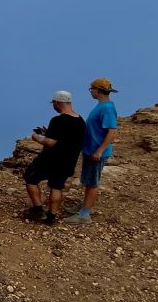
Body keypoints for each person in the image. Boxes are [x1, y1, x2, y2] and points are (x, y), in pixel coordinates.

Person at [23, 90, 86, 225]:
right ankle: (51, 216)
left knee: (30, 178)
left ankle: (38, 209)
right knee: (56, 187)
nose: (53, 106)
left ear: (57, 102)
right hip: (68, 161)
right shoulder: (80, 120)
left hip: (50, 159)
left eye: (53, 103)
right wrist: (47, 132)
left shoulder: (58, 120)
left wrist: (36, 137)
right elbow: (67, 138)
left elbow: (50, 142)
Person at [63, 78, 119, 224]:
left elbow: (112, 132)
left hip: (96, 152)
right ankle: (85, 206)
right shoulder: (101, 106)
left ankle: (84, 214)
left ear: (98, 90)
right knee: (88, 181)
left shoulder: (106, 108)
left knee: (93, 182)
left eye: (91, 89)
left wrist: (99, 151)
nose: (90, 92)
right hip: (90, 150)